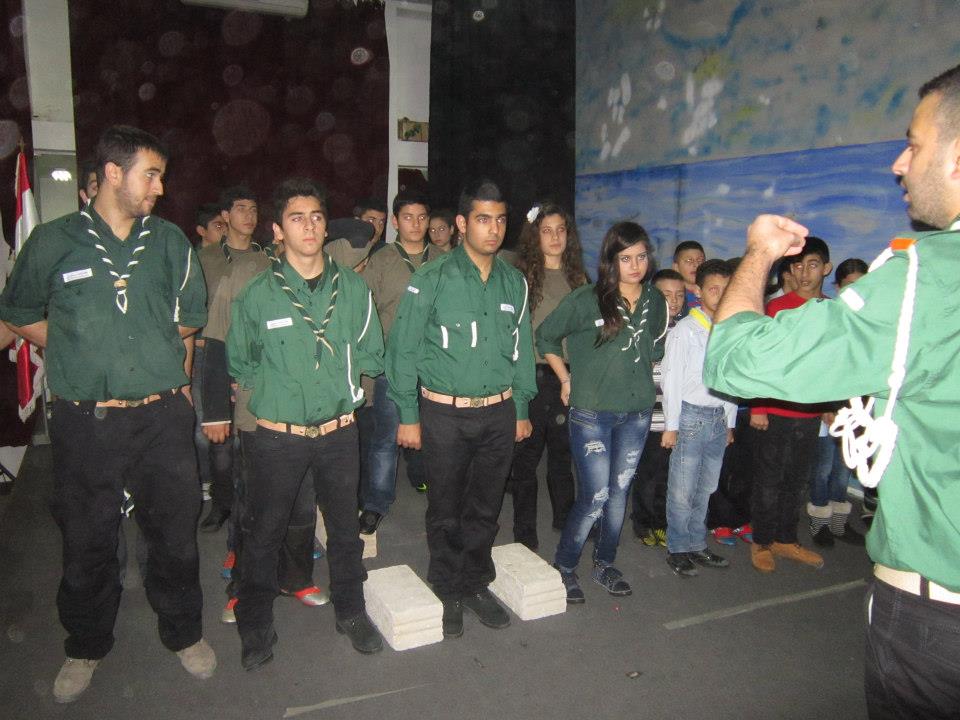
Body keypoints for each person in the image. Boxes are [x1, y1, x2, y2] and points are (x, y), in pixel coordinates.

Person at [703, 64, 960, 720]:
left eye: (914, 144)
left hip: (940, 614)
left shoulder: (926, 279)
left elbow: (732, 358)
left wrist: (758, 254)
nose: (899, 163)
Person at [0, 125, 216, 702]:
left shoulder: (169, 242)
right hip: (85, 420)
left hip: (161, 417)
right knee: (87, 537)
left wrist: (166, 370)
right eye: (152, 174)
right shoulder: (52, 241)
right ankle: (86, 644)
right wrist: (75, 347)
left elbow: (189, 319)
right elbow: (18, 311)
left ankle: (184, 632)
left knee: (174, 534)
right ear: (114, 173)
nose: (161, 187)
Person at [226, 177, 385, 669]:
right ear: (278, 230)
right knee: (264, 532)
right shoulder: (258, 294)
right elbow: (241, 362)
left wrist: (340, 386)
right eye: (297, 218)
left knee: (344, 530)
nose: (309, 226)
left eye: (316, 217)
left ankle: (351, 611)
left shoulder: (353, 287)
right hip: (279, 437)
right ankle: (255, 625)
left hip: (339, 433)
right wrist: (284, 394)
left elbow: (371, 352)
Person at [386, 179, 536, 638]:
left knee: (486, 506)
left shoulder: (513, 281)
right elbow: (404, 348)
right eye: (483, 219)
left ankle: (475, 582)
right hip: (444, 414)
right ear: (461, 223)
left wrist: (522, 407)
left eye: (500, 220)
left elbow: (522, 351)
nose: (494, 229)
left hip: (498, 412)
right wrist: (408, 415)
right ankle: (447, 587)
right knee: (446, 507)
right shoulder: (431, 279)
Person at [537, 221, 668, 603]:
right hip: (591, 414)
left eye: (641, 257)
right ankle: (564, 566)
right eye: (626, 258)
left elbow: (655, 350)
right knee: (595, 495)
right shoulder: (586, 299)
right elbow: (545, 336)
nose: (635, 265)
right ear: (611, 261)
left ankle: (604, 563)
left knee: (618, 493)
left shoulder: (655, 301)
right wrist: (565, 379)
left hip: (637, 413)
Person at [745, 235, 833, 574]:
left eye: (813, 265)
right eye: (798, 266)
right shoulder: (776, 308)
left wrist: (831, 404)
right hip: (775, 411)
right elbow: (761, 359)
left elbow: (831, 362)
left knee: (797, 480)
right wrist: (758, 405)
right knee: (769, 479)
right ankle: (762, 541)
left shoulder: (832, 309)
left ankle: (785, 538)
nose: (804, 272)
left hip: (809, 411)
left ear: (826, 268)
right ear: (790, 271)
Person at [508, 202, 589, 550]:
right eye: (546, 230)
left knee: (562, 454)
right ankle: (524, 531)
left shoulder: (579, 278)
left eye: (560, 230)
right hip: (532, 375)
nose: (555, 237)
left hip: (569, 375)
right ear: (535, 236)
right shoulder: (522, 278)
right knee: (526, 458)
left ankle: (565, 517)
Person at [358, 191, 436, 534]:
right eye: (408, 217)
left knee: (438, 436)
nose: (416, 224)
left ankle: (435, 489)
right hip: (394, 366)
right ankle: (376, 502)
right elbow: (365, 313)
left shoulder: (445, 260)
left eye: (422, 217)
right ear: (395, 221)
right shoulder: (381, 261)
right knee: (385, 438)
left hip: (437, 366)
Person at [661, 259, 737, 577]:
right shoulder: (685, 331)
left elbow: (731, 379)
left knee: (706, 487)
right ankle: (678, 548)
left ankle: (696, 543)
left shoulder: (730, 330)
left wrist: (730, 421)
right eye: (713, 289)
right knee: (682, 489)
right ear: (698, 291)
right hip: (690, 417)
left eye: (726, 289)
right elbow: (671, 380)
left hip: (718, 417)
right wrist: (671, 426)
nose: (720, 295)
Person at [196, 186, 261, 533]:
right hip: (211, 353)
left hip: (253, 358)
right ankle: (221, 503)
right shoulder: (204, 259)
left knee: (250, 440)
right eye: (240, 208)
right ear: (225, 215)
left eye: (253, 209)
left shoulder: (268, 258)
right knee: (217, 438)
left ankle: (248, 509)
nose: (249, 216)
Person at [807, 258, 871, 548]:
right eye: (849, 285)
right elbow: (821, 366)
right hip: (829, 408)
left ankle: (839, 523)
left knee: (844, 468)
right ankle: (819, 521)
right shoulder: (830, 316)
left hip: (858, 409)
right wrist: (826, 405)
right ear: (837, 286)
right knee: (822, 467)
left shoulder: (872, 320)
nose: (856, 290)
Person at [630, 268, 685, 547]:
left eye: (679, 295)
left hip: (675, 417)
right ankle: (642, 522)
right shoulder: (643, 329)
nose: (673, 301)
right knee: (647, 472)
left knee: (669, 473)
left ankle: (661, 522)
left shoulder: (684, 330)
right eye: (666, 295)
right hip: (649, 414)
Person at [671, 240, 705, 310]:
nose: (696, 265)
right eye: (689, 260)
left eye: (700, 261)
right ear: (676, 267)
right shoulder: (673, 298)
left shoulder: (711, 293)